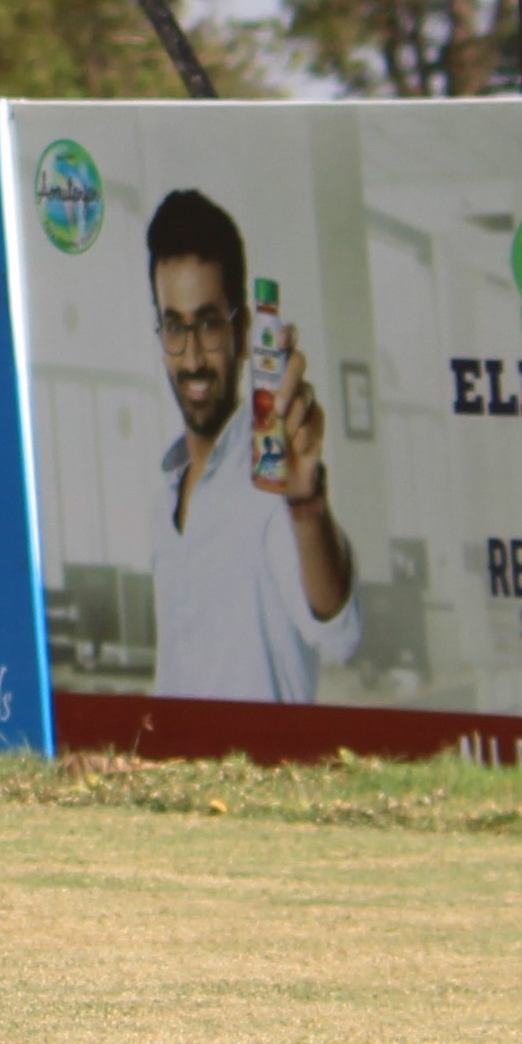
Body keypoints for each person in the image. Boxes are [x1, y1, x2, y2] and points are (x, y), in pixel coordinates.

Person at [145, 188, 359, 702]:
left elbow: (339, 636)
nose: (192, 357)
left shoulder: (270, 478)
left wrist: (306, 508)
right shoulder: (165, 496)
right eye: (175, 328)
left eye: (209, 325)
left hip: (261, 780)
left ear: (242, 332)